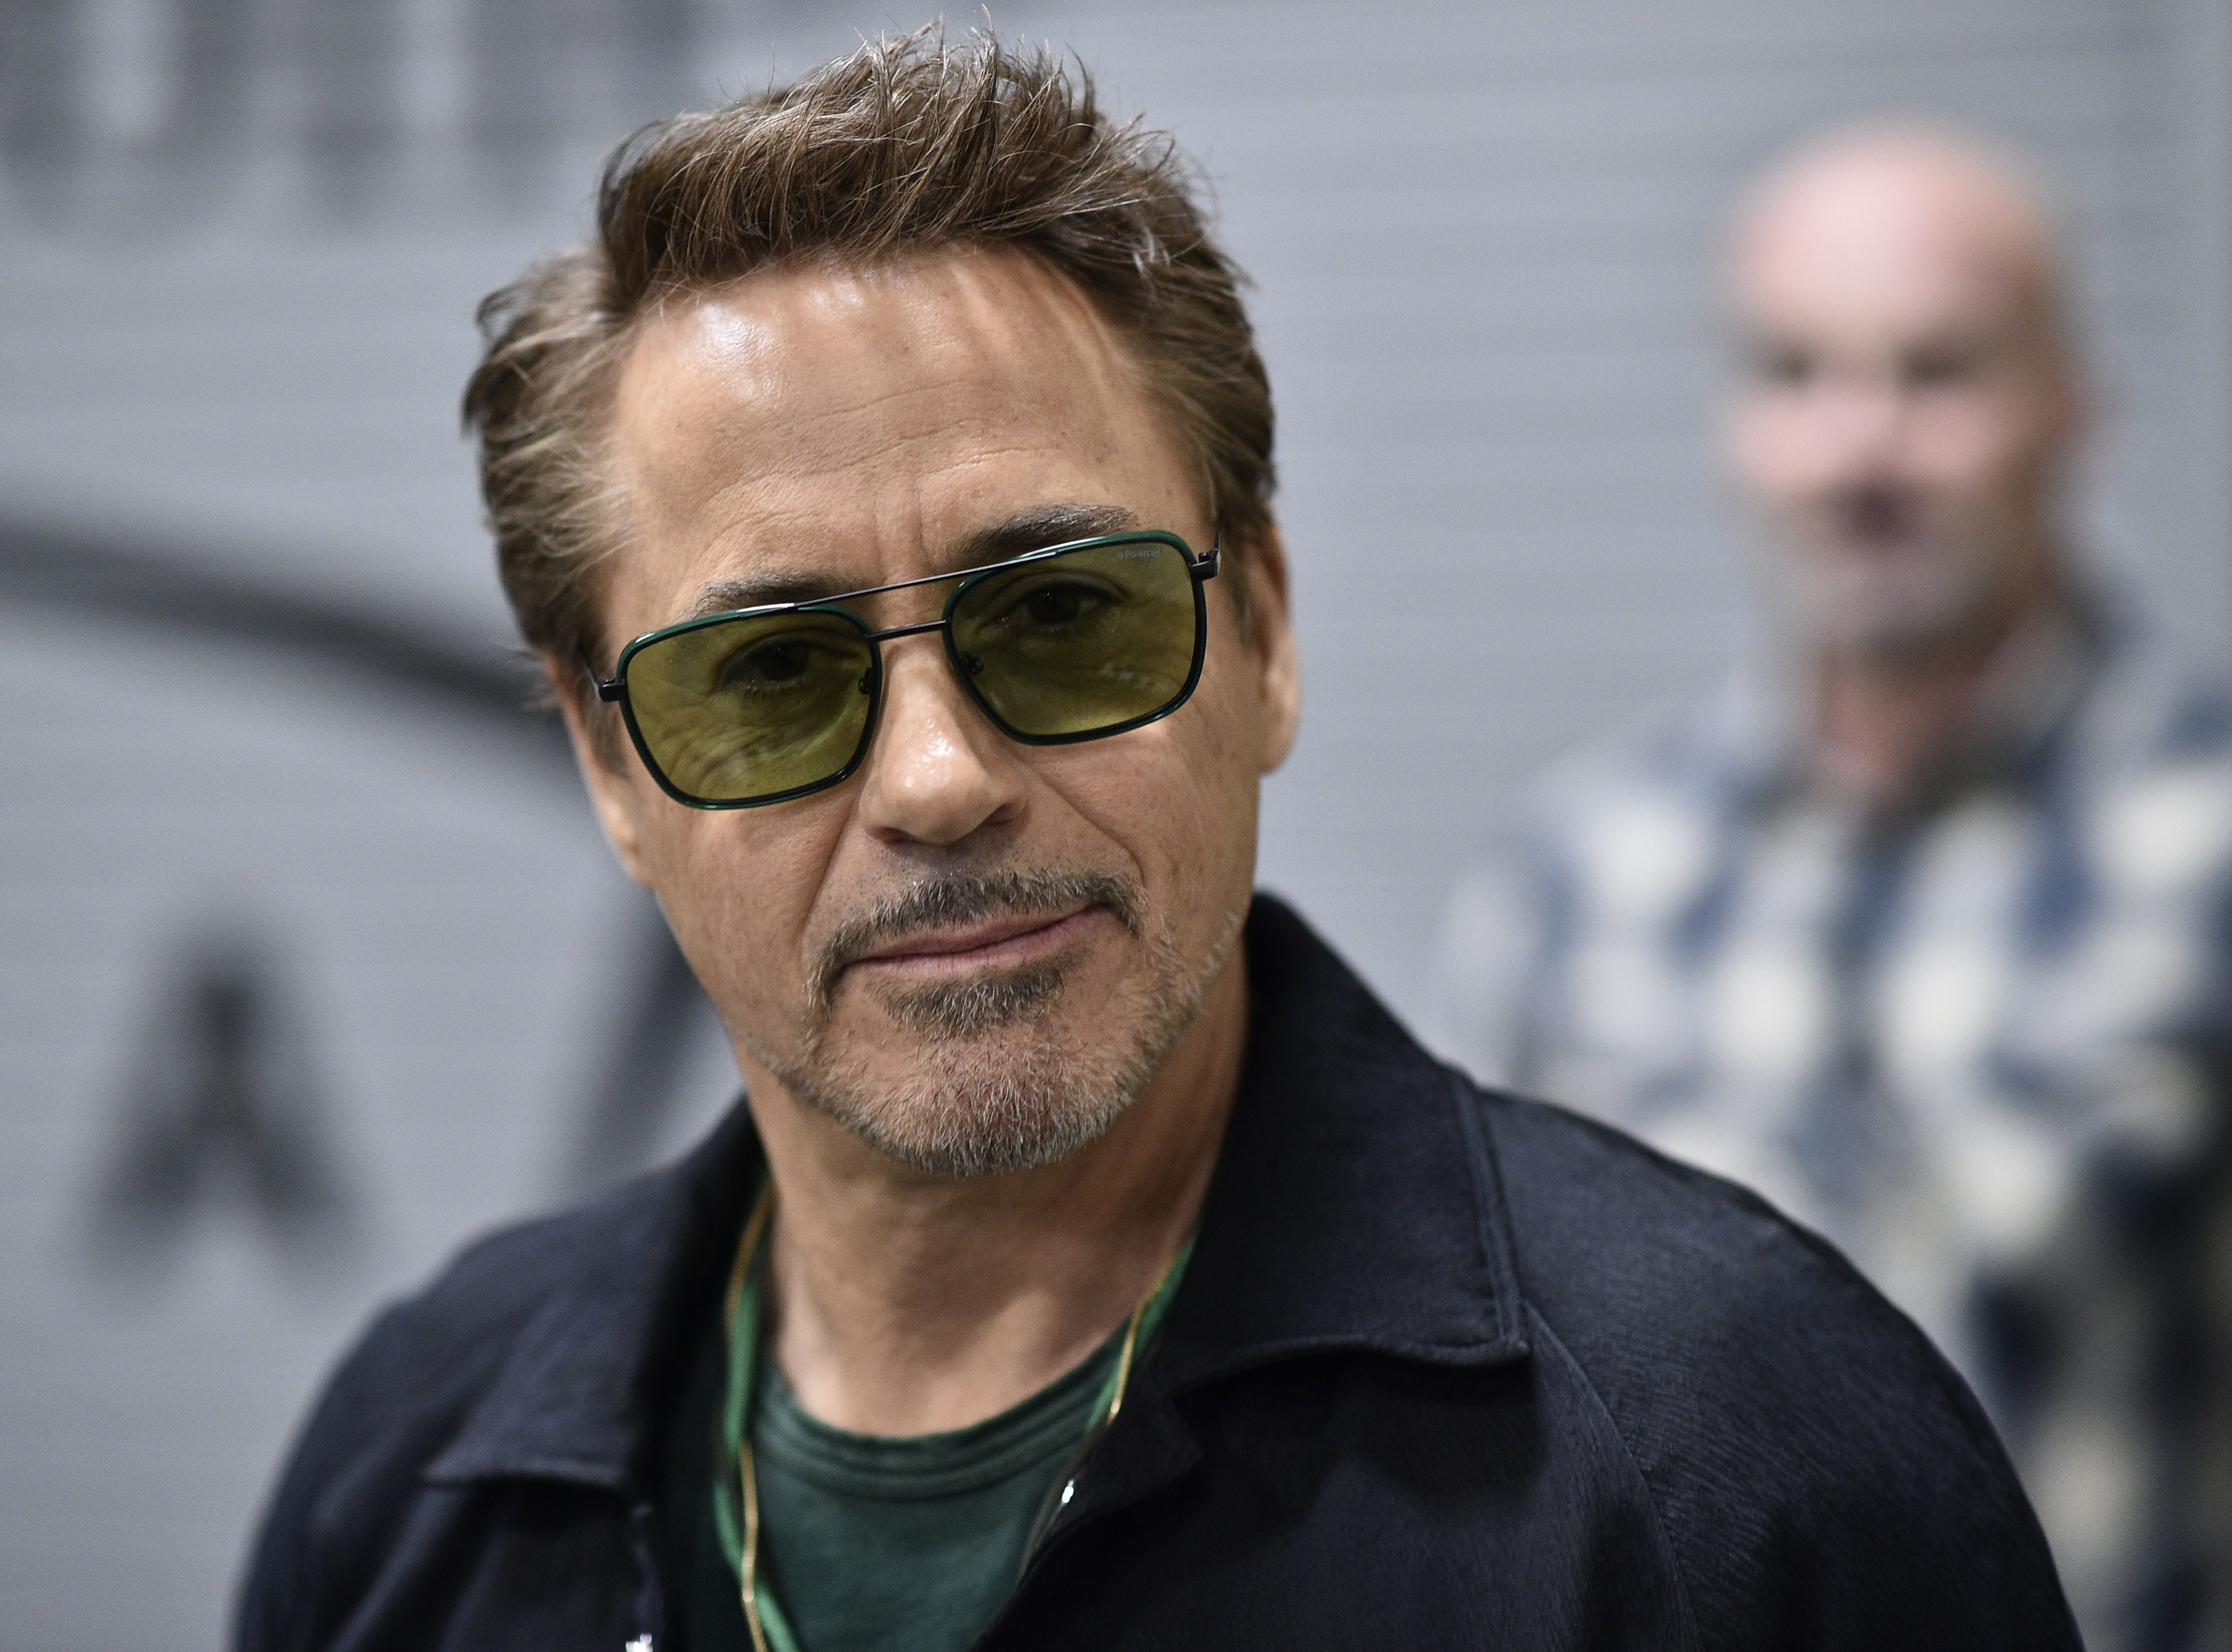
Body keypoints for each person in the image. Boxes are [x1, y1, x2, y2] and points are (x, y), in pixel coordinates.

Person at [238, 40, 2075, 1651]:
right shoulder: (407, 1489)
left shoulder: (1741, 1473)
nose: (940, 780)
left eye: (1063, 622)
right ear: (611, 766)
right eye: (771, 679)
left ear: (1266, 634)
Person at [1436, 122, 2232, 1651]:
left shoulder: (2206, 853)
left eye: (1938, 374)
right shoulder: (1572, 878)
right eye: (1796, 375)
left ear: (2072, 405)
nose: (1860, 450)